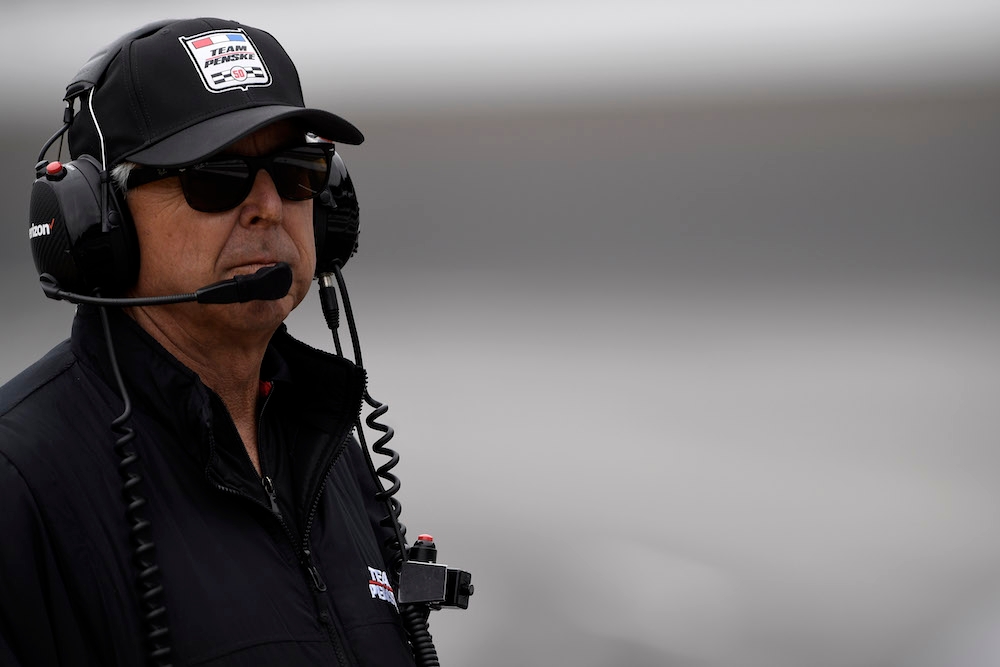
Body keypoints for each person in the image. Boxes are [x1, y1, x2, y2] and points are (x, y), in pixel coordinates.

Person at [0, 17, 418, 666]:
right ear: (97, 222)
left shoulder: (332, 450)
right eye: (215, 177)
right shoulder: (18, 480)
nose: (268, 207)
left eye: (297, 172)